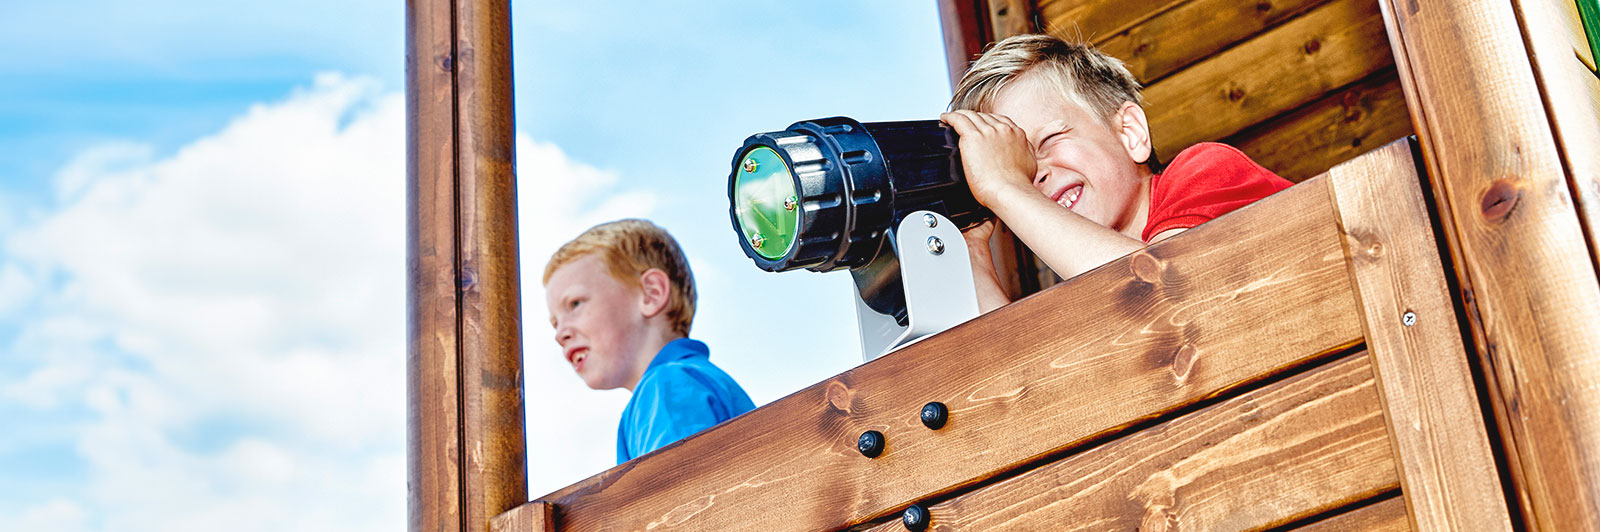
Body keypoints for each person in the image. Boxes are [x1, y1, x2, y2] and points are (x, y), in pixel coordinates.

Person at [940, 34, 1292, 312]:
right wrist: (970, 251)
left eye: (1049, 139)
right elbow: (1014, 381)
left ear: (1130, 133)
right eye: (1018, 166)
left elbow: (1168, 293)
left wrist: (1005, 187)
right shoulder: (1085, 296)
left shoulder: (1207, 168)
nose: (1035, 176)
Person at [543, 219, 756, 463]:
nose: (560, 334)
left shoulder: (667, 385)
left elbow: (679, 495)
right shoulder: (677, 383)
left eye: (575, 303)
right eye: (554, 323)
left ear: (651, 294)